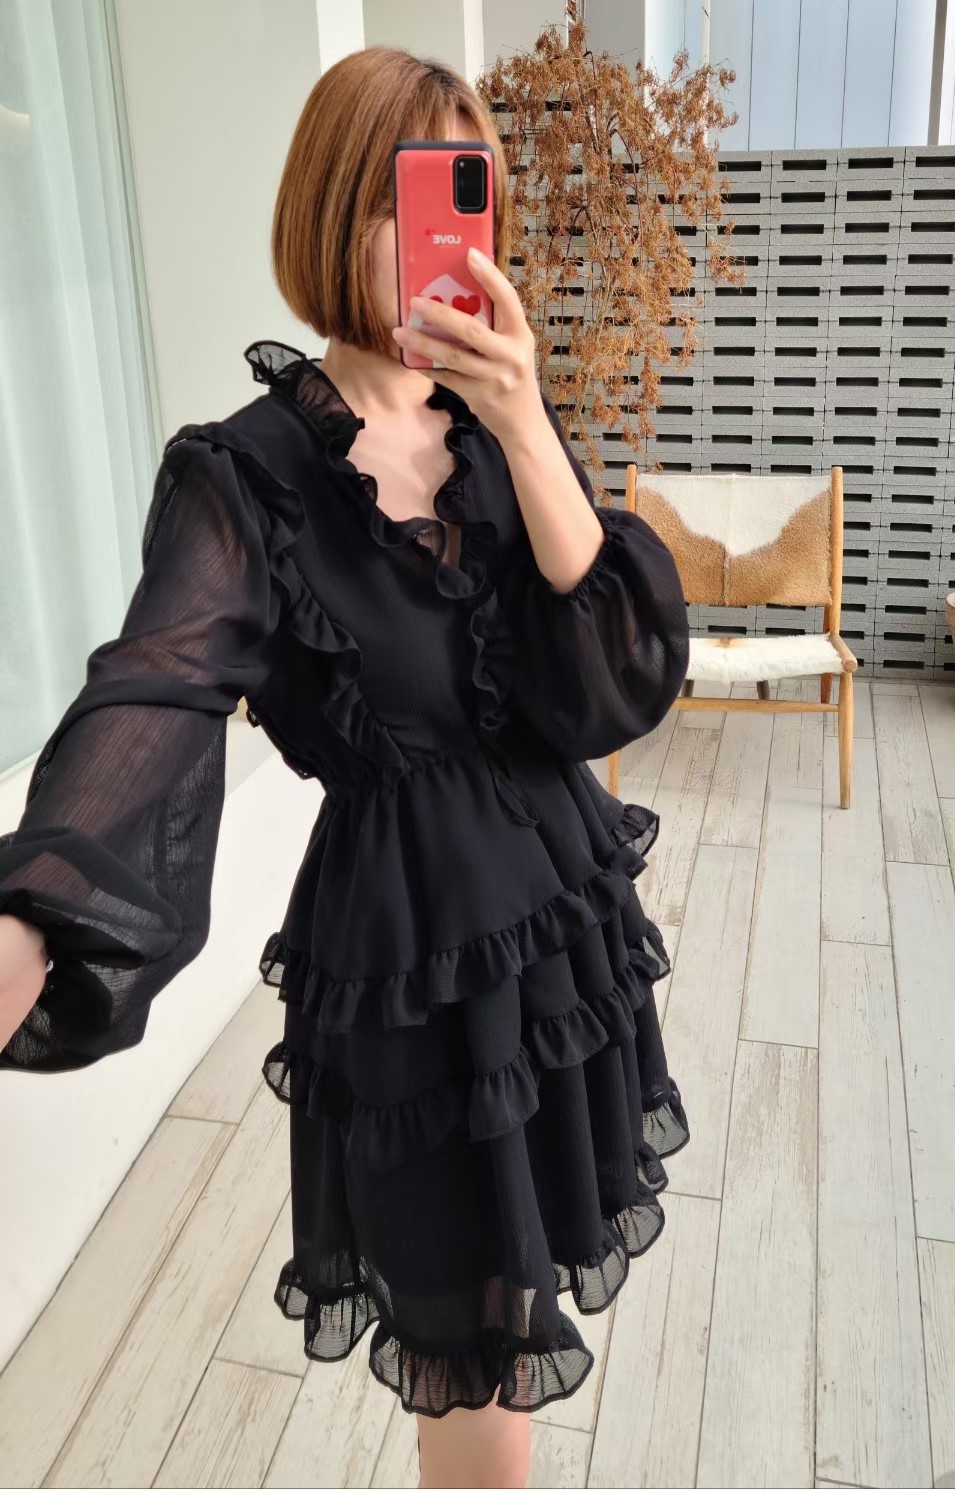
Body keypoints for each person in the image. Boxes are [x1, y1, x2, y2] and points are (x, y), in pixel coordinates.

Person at [0, 46, 691, 1489]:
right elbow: (157, 683)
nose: (438, 232)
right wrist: (30, 917)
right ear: (333, 208)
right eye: (400, 196)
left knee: (521, 1324)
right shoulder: (244, 474)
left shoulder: (497, 421)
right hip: (415, 977)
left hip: (562, 939)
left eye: (463, 191)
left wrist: (526, 420)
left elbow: (615, 681)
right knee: (475, 1369)